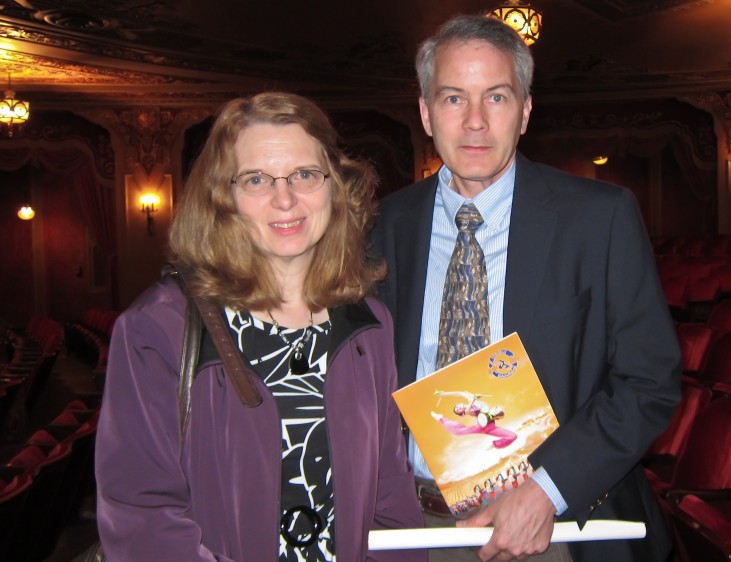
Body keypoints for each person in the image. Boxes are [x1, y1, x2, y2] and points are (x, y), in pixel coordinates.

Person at [370, 14, 682, 562]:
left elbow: (648, 381)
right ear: (424, 112)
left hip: (556, 527)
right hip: (413, 526)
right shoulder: (381, 225)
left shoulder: (599, 218)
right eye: (452, 99)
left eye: (496, 97)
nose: (474, 122)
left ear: (525, 111)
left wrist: (547, 489)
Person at [96, 92, 426, 562]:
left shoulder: (368, 324)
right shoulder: (159, 328)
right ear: (222, 197)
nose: (285, 198)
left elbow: (389, 494)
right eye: (256, 179)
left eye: (305, 175)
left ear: (335, 186)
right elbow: (141, 518)